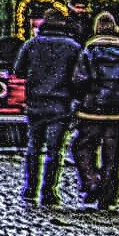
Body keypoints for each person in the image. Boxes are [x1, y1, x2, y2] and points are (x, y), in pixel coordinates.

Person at [69, 12, 119, 210]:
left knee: (82, 146)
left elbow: (80, 79)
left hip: (92, 109)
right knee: (113, 154)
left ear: (96, 28)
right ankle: (108, 196)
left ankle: (92, 180)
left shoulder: (90, 49)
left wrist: (79, 98)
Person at [13, 14, 83, 206]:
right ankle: (49, 191)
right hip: (60, 104)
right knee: (55, 149)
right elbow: (79, 77)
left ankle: (30, 188)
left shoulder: (32, 44)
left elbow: (18, 70)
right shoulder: (73, 47)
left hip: (36, 103)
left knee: (34, 147)